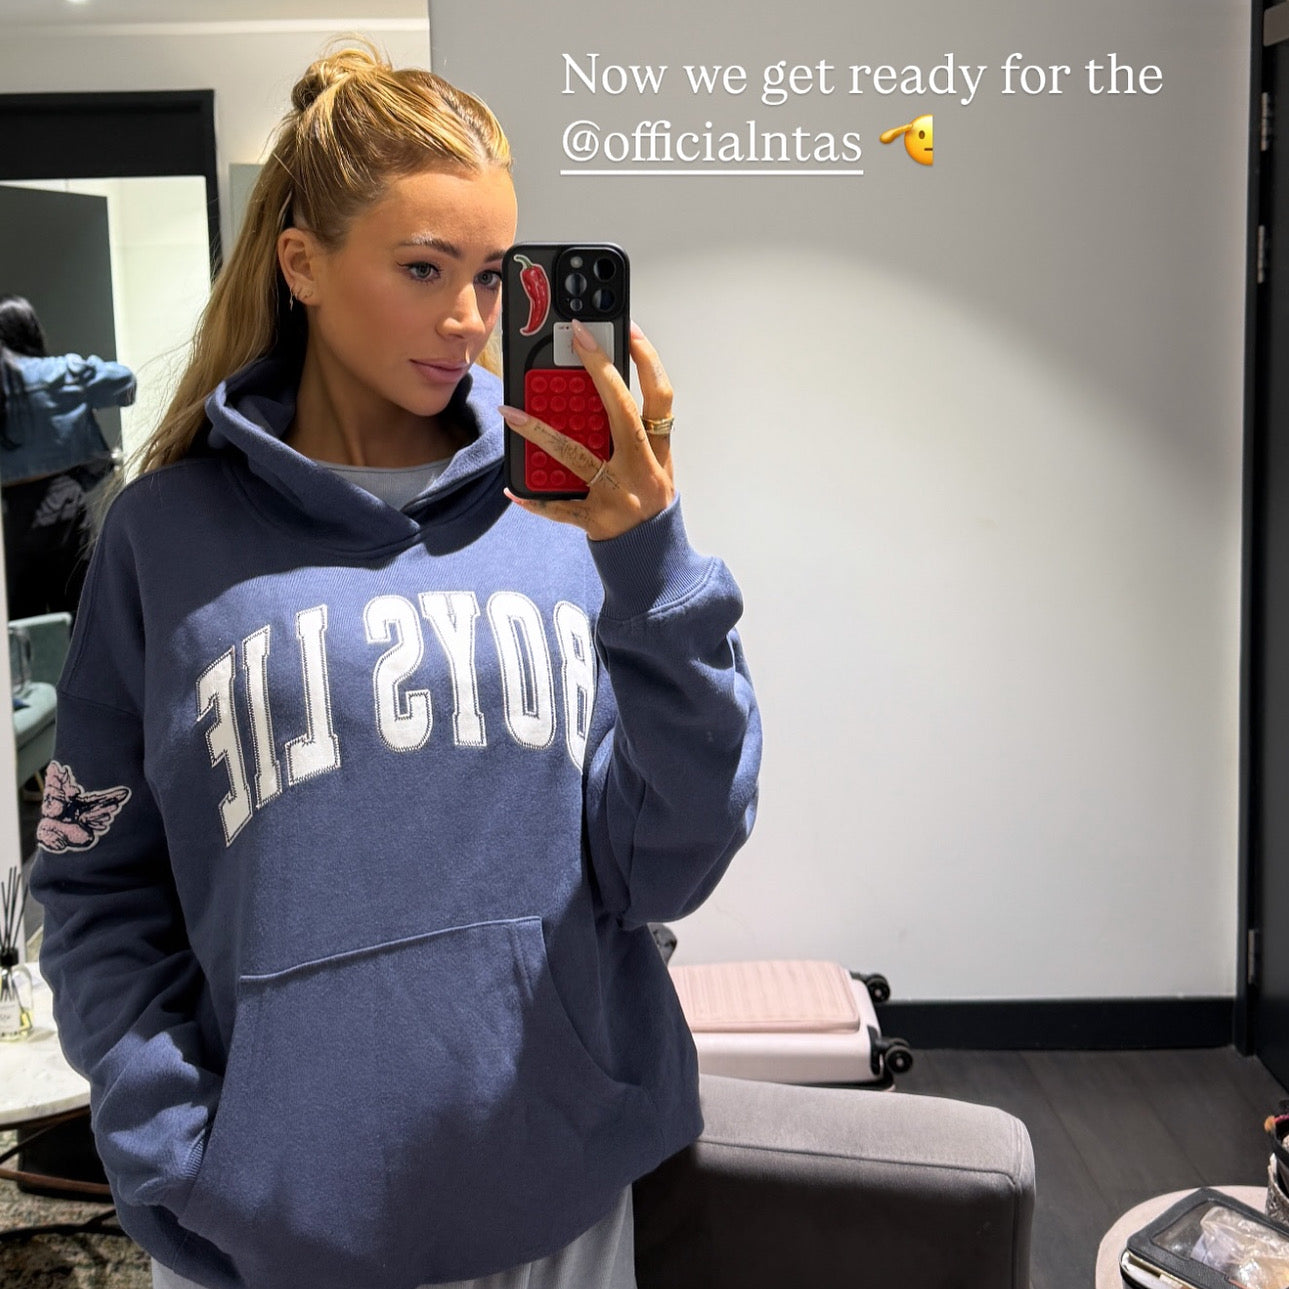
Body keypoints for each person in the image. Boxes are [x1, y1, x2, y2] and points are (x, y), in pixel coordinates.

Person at [28, 43, 760, 1289]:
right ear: (302, 264)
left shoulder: (566, 523)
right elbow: (96, 880)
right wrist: (176, 1148)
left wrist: (649, 556)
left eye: (492, 275)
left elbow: (669, 860)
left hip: (554, 1200)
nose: (468, 318)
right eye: (423, 268)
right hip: (262, 1231)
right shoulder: (164, 538)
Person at [0, 294, 134, 619]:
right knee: (83, 613)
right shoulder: (62, 373)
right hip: (63, 502)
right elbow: (124, 383)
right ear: (29, 331)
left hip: (8, 515)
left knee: (21, 627)